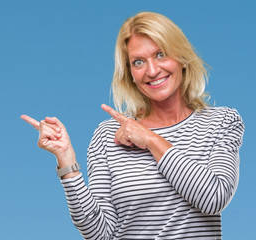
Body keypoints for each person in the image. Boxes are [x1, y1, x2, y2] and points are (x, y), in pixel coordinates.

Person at [21, 12, 244, 239]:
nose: (152, 70)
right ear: (130, 75)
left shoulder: (222, 122)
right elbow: (100, 234)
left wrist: (150, 139)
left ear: (182, 58)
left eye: (161, 54)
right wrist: (67, 161)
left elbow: (214, 198)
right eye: (138, 62)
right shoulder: (107, 135)